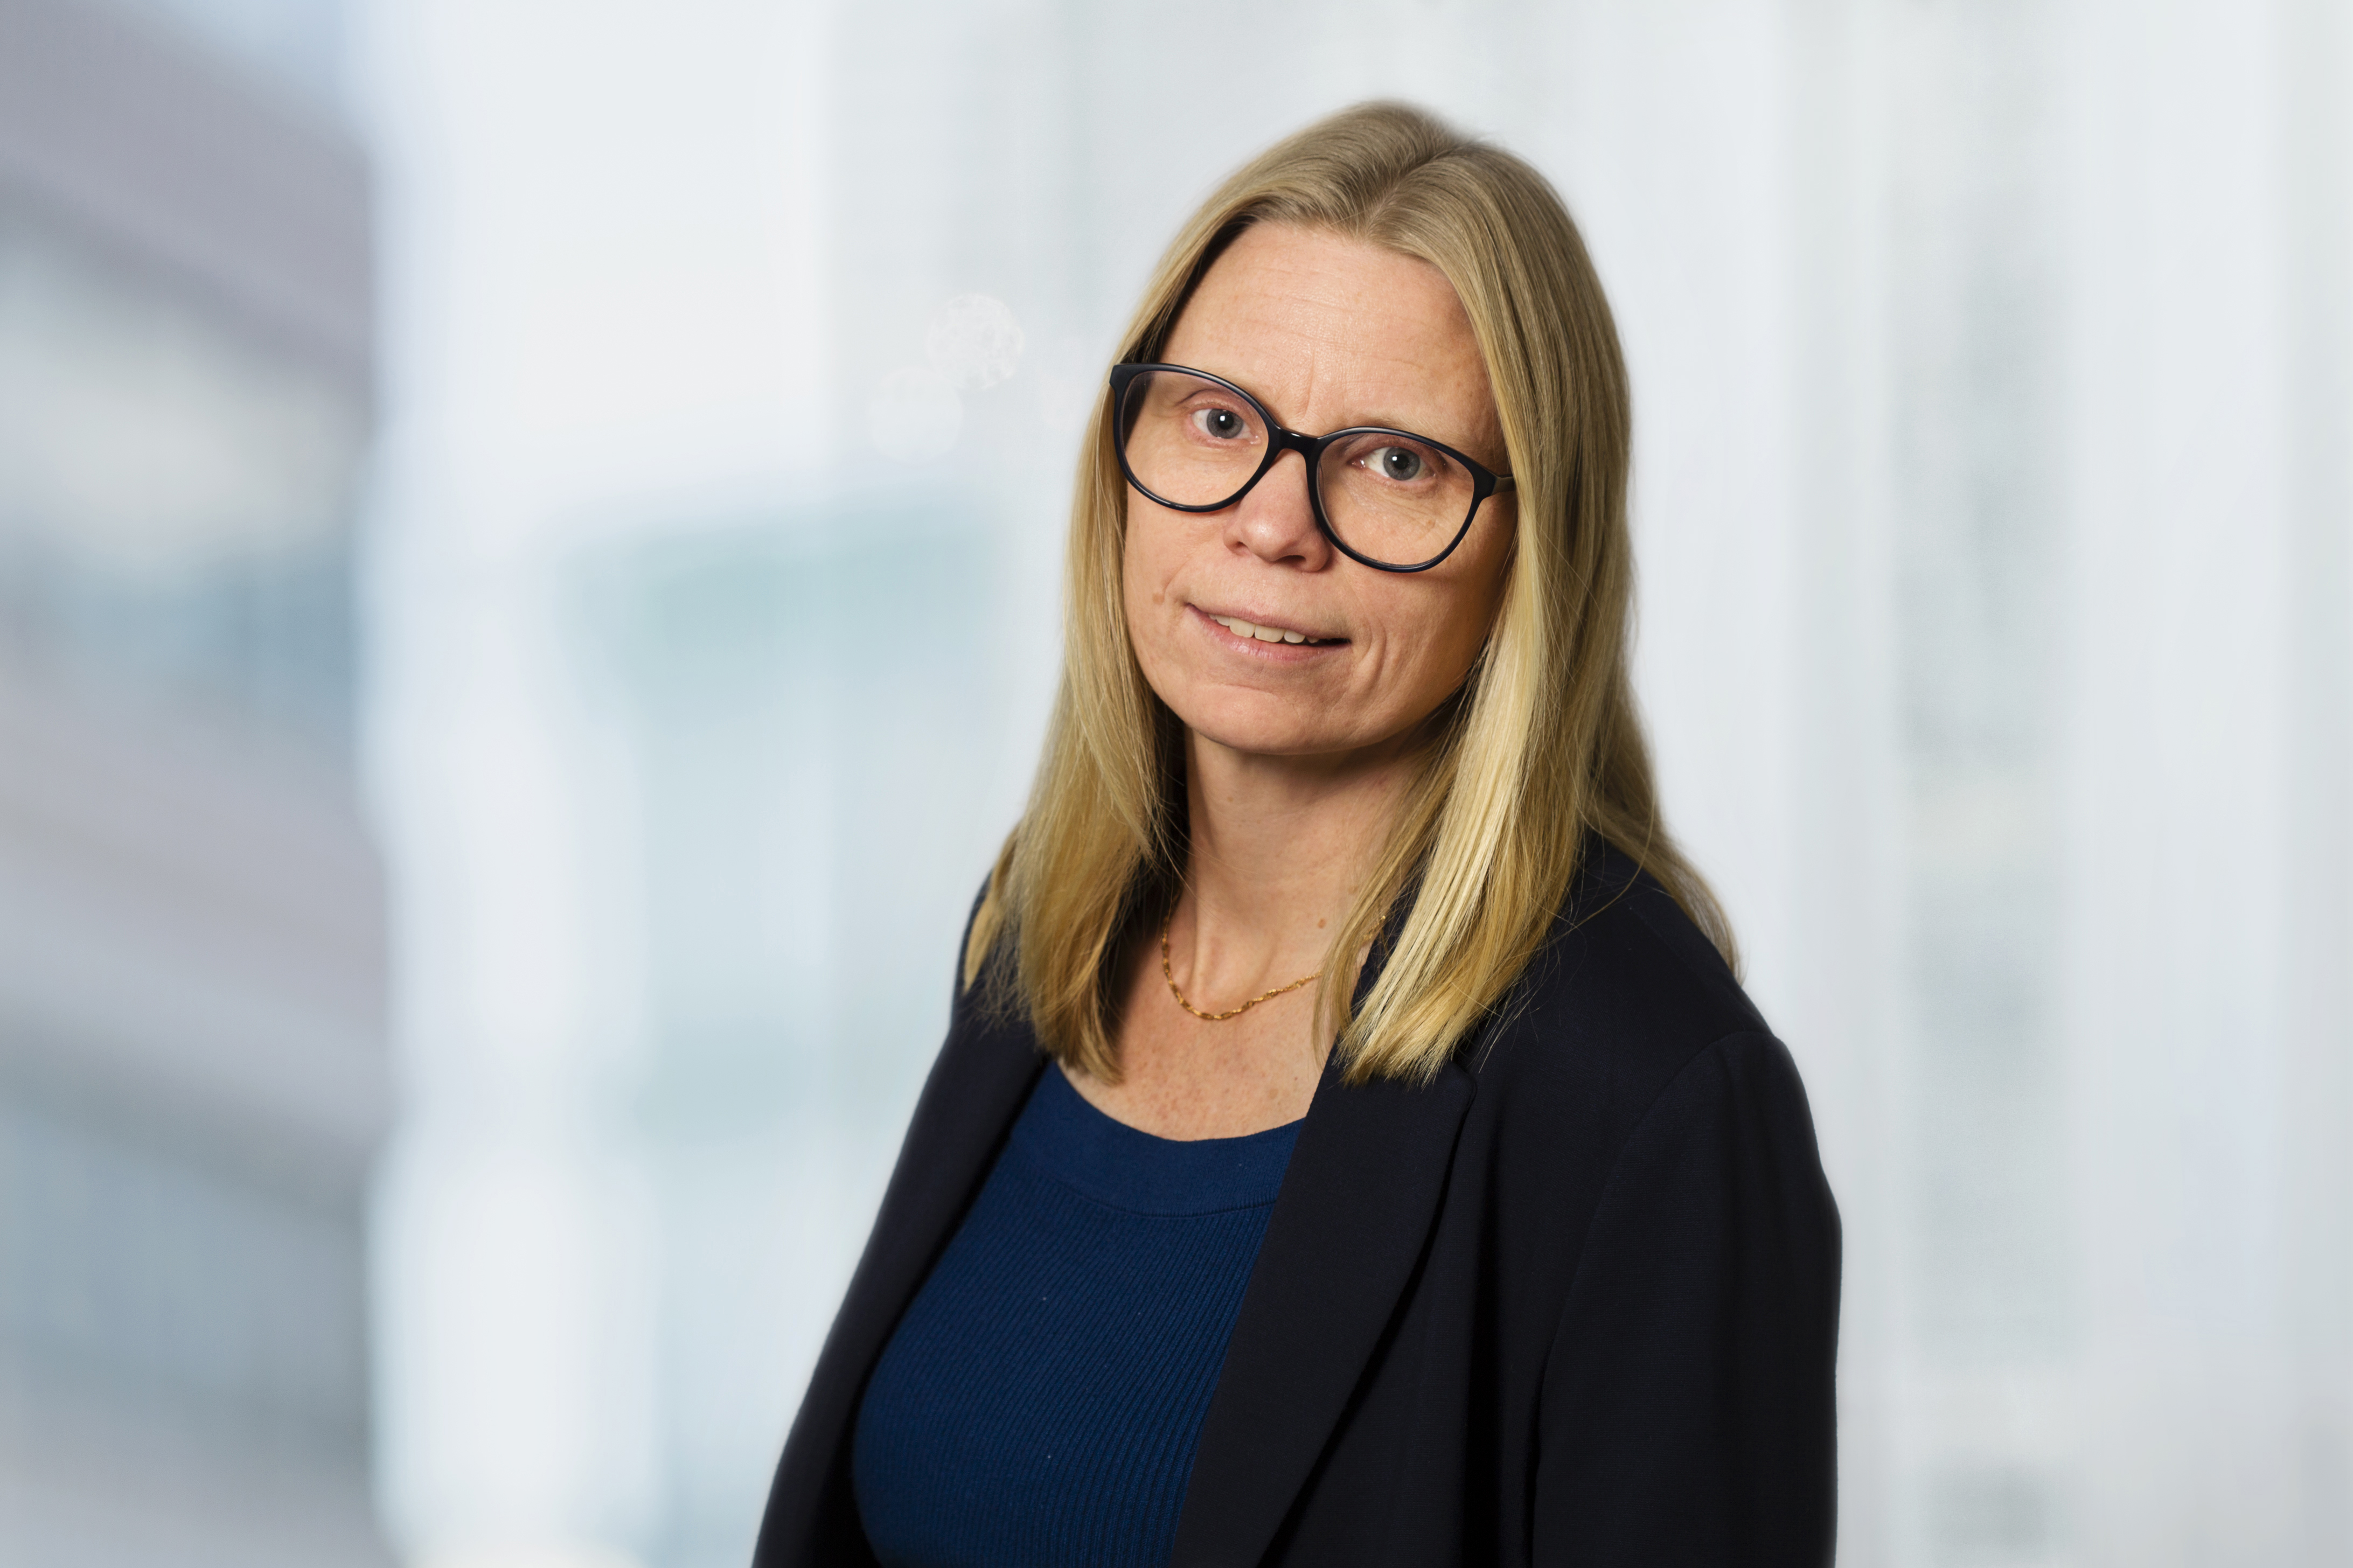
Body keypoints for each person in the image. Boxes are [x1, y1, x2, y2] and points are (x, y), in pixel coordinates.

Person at [754, 101, 1839, 1568]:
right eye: (1219, 420)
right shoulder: (1040, 931)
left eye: (1395, 463)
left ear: (1534, 549)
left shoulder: (1655, 1095)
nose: (1274, 525)